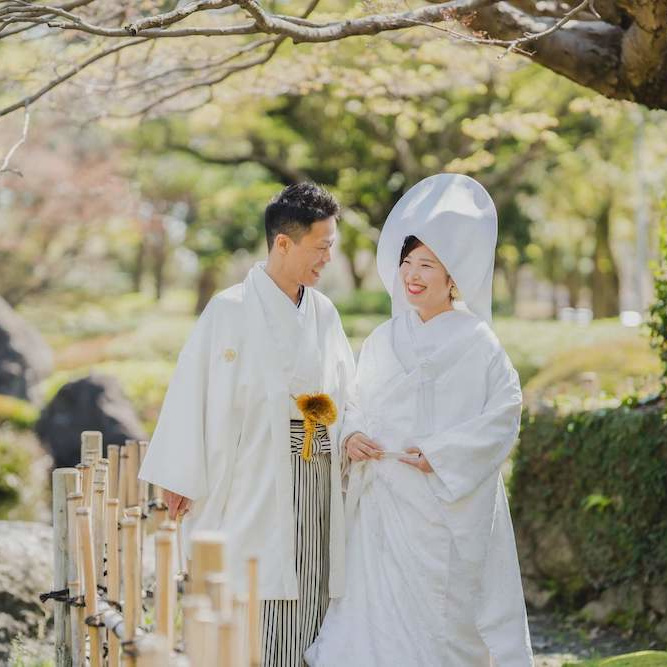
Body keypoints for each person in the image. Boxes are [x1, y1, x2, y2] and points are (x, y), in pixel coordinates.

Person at [305, 174, 534, 667]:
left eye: (427, 265)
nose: (413, 274)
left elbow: (503, 415)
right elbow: (356, 401)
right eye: (407, 262)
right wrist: (353, 435)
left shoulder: (478, 342)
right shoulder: (385, 338)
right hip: (383, 507)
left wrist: (442, 455)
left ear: (453, 275)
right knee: (373, 625)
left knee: (444, 625)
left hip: (442, 505)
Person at [139, 182, 357, 666]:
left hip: (316, 474)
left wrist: (348, 430)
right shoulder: (229, 309)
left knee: (310, 581)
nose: (327, 260)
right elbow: (191, 392)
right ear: (284, 242)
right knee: (252, 579)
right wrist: (179, 477)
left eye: (331, 249)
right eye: (321, 248)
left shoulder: (324, 313)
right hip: (250, 475)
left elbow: (350, 393)